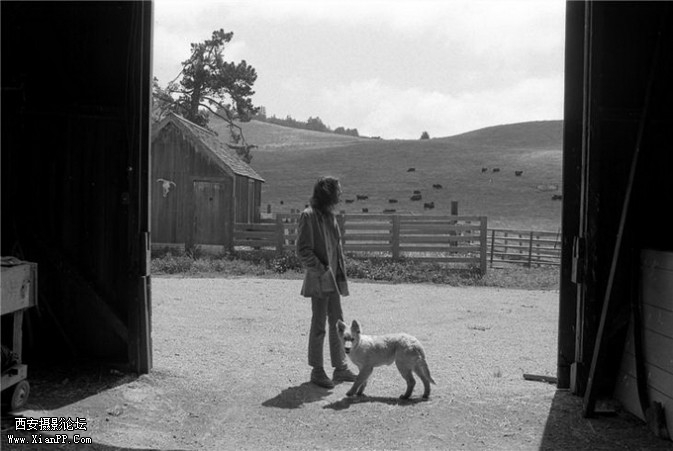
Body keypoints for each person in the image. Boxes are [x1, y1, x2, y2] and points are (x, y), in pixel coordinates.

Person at [296, 176, 357, 388]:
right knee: (319, 324)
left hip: (333, 281)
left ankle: (340, 368)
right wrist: (321, 270)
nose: (340, 195)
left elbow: (336, 251)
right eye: (337, 191)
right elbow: (303, 250)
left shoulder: (330, 216)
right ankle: (317, 371)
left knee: (338, 324)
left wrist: (339, 275)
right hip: (320, 280)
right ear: (327, 192)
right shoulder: (308, 216)